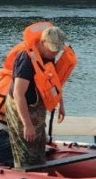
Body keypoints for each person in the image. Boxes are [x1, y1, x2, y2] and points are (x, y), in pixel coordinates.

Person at [5, 26, 74, 168]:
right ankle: (23, 170)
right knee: (26, 146)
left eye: (57, 50)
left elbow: (53, 82)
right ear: (42, 43)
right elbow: (18, 94)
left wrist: (60, 104)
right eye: (52, 50)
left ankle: (40, 167)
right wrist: (27, 124)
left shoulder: (49, 56)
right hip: (22, 107)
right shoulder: (26, 59)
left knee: (39, 142)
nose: (54, 53)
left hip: (37, 106)